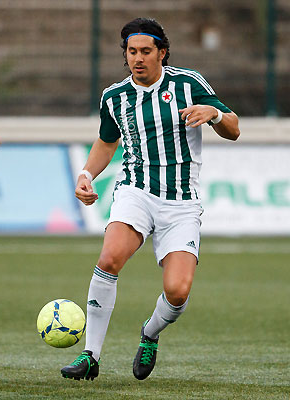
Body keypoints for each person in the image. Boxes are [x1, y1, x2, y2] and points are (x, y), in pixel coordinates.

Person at [60, 18, 240, 382]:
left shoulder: (188, 84)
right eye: (131, 52)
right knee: (109, 257)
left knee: (177, 291)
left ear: (162, 53)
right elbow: (107, 142)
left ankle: (150, 333)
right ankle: (90, 356)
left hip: (181, 202)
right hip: (135, 191)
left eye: (145, 51)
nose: (138, 59)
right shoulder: (115, 97)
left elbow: (234, 128)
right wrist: (85, 175)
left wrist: (215, 114)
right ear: (124, 55)